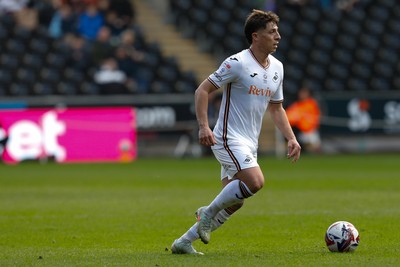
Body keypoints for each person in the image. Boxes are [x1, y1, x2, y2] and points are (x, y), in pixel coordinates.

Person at [171, 9, 301, 255]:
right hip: (228, 137)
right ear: (255, 36)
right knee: (255, 181)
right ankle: (206, 213)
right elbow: (202, 90)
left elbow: (276, 108)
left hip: (249, 143)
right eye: (272, 32)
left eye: (277, 31)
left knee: (235, 202)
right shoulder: (237, 63)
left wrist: (291, 138)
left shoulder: (277, 68)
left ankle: (183, 242)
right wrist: (203, 126)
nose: (278, 36)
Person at [286, 86, 321, 153]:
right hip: (300, 132)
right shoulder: (296, 105)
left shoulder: (312, 104)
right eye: (301, 93)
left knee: (315, 148)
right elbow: (289, 117)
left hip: (311, 131)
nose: (302, 95)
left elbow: (316, 117)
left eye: (304, 93)